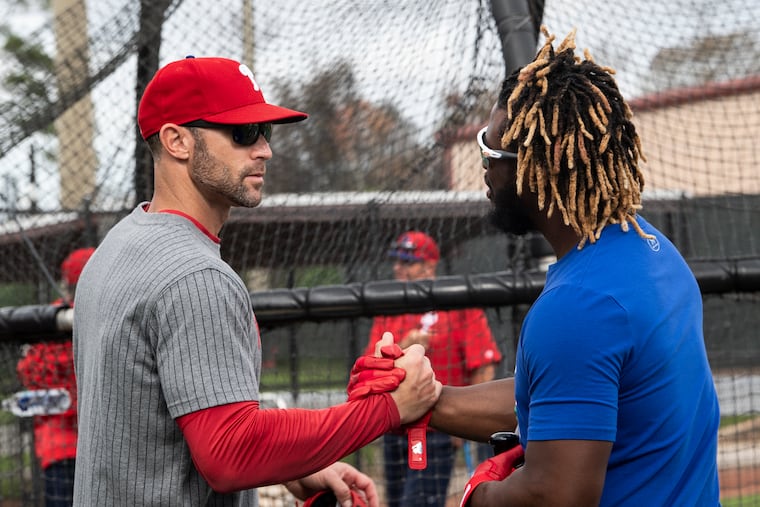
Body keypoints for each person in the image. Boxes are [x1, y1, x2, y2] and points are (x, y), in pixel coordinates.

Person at [349, 27, 721, 506]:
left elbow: (554, 495)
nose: (483, 165)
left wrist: (477, 496)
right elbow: (562, 393)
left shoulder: (578, 307)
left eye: (490, 150)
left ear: (534, 167)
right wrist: (424, 398)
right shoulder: (649, 246)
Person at [71, 56, 441, 506]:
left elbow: (177, 415)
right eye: (243, 133)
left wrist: (300, 463)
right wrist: (388, 409)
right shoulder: (197, 275)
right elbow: (231, 454)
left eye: (266, 132)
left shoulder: (116, 247)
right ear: (176, 140)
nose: (264, 149)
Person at [365, 230, 502, 507]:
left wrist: (463, 420)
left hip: (435, 431)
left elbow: (483, 365)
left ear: (429, 265)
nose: (398, 268)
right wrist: (404, 345)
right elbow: (370, 368)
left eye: (407, 262)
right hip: (393, 427)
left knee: (417, 503)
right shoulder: (389, 305)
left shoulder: (457, 302)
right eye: (397, 261)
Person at [16, 246, 95, 507]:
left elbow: (28, 372)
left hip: (60, 446)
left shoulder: (51, 318)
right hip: (100, 445)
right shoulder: (103, 316)